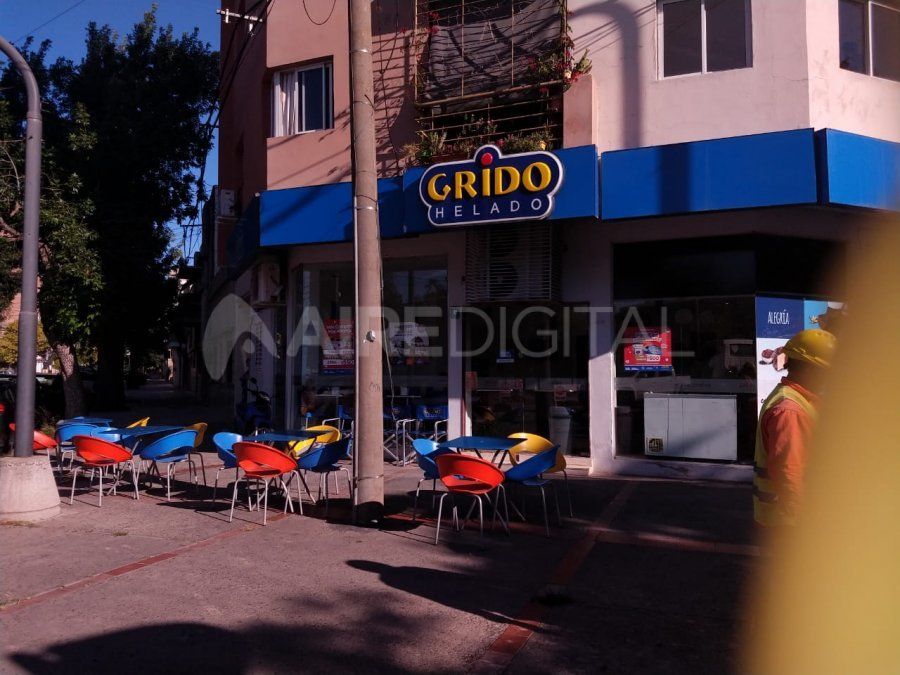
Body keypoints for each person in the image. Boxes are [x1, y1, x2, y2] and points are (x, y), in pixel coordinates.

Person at [753, 328, 837, 528]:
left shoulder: (796, 399)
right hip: (790, 522)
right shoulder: (791, 411)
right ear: (810, 370)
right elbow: (790, 474)